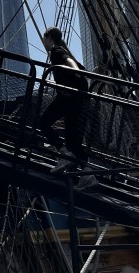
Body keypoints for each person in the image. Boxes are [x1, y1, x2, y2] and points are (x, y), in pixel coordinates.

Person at [38, 27, 96, 190]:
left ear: (49, 38)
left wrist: (73, 69)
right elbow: (81, 68)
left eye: (44, 39)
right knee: (72, 138)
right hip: (78, 99)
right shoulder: (64, 50)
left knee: (43, 123)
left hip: (67, 97)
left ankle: (64, 154)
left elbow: (71, 63)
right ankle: (88, 174)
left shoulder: (56, 51)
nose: (43, 42)